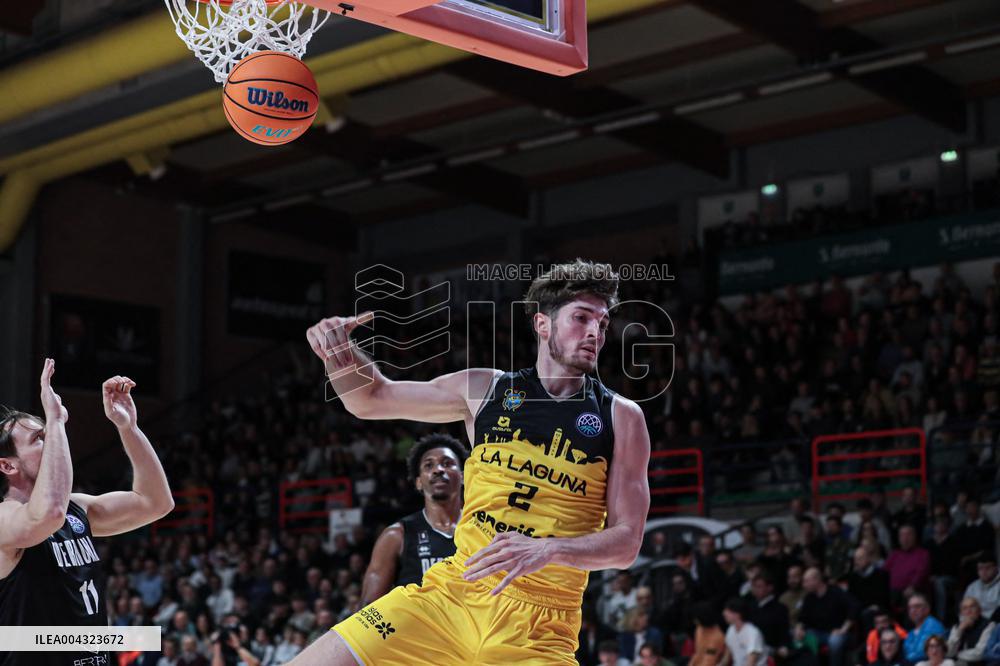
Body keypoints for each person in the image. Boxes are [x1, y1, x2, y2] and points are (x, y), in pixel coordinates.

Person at [296, 260, 652, 664]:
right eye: (581, 318)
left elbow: (627, 543)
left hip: (538, 624)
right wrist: (337, 350)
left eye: (602, 324)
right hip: (448, 598)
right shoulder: (484, 389)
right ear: (542, 324)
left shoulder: (621, 416)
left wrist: (549, 550)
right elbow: (370, 398)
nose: (594, 333)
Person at [0, 362, 174, 666]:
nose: (51, 439)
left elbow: (154, 502)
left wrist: (128, 428)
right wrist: (54, 421)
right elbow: (47, 514)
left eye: (45, 434)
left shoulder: (77, 509)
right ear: (8, 466)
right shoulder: (5, 519)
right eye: (38, 439)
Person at [359, 433, 468, 605]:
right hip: (421, 629)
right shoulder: (396, 535)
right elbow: (368, 608)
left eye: (447, 464)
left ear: (462, 476)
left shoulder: (483, 527)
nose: (438, 469)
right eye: (428, 465)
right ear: (418, 482)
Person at [798, 567, 858, 666]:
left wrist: (844, 629)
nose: (804, 585)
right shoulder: (809, 598)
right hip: (818, 633)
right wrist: (799, 628)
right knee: (800, 637)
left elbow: (854, 606)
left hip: (838, 633)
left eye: (806, 581)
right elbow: (803, 619)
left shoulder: (836, 592)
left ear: (816, 580)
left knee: (835, 641)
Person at [946, 597, 994, 666]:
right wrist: (960, 630)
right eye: (965, 608)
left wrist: (958, 654)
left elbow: (980, 653)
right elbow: (949, 652)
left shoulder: (989, 625)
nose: (969, 611)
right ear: (961, 613)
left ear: (979, 610)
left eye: (972, 607)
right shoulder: (957, 626)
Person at [904, 594, 947, 664]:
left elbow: (923, 653)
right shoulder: (911, 632)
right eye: (910, 608)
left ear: (927, 608)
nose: (913, 610)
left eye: (917, 606)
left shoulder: (933, 625)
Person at [722, 598, 765, 666]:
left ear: (738, 614)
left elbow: (751, 663)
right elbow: (726, 659)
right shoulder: (730, 629)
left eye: (728, 611)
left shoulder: (753, 633)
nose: (724, 613)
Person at [690, 601, 727, 666]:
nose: (694, 621)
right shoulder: (699, 629)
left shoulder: (717, 637)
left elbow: (709, 661)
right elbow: (697, 653)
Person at [963, 554, 1000, 620]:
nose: (984, 571)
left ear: (996, 568)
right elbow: (963, 611)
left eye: (987, 568)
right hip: (972, 623)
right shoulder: (972, 587)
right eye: (980, 568)